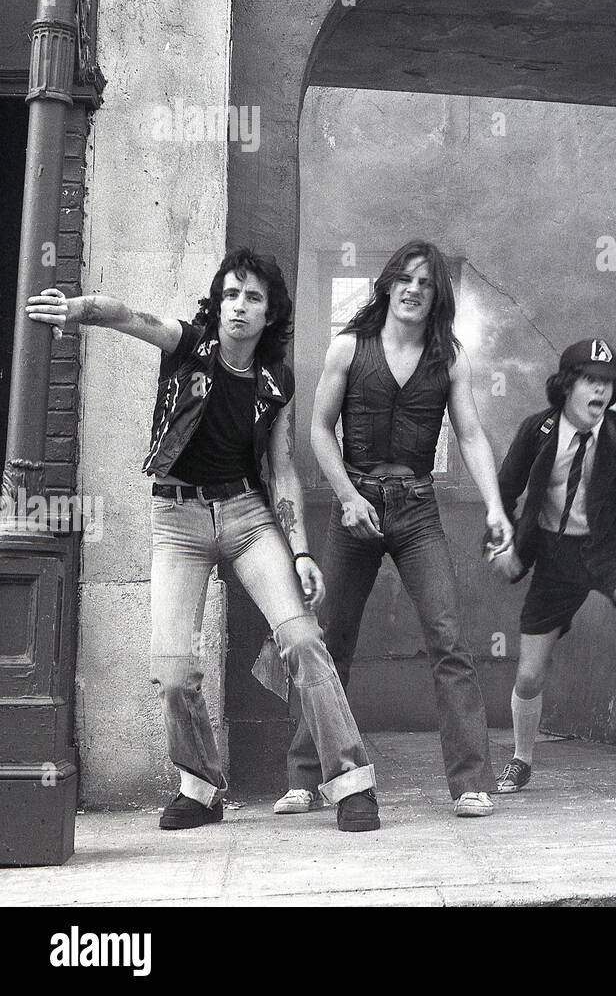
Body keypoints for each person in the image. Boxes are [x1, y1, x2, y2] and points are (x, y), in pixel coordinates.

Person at [26, 250, 381, 832]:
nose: (239, 307)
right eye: (231, 294)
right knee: (171, 665)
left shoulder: (276, 381)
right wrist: (78, 309)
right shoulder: (189, 346)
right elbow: (127, 316)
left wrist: (300, 550)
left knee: (302, 640)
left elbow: (283, 467)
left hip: (247, 517)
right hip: (178, 519)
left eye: (253, 298)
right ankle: (201, 788)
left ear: (270, 315)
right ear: (218, 302)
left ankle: (350, 782)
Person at [276, 240, 510, 820]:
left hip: (416, 509)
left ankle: (470, 783)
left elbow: (473, 435)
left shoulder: (449, 358)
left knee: (448, 639)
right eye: (403, 279)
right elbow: (319, 431)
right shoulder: (349, 347)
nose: (412, 290)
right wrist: (349, 496)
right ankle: (308, 777)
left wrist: (496, 508)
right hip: (355, 505)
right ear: (386, 285)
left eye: (425, 283)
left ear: (437, 296)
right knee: (329, 642)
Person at [488, 338, 616, 793]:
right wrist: (498, 546)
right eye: (590, 381)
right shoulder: (537, 430)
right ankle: (522, 759)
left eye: (606, 382)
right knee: (529, 674)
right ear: (566, 387)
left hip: (606, 552)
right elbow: (503, 493)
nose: (600, 391)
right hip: (553, 558)